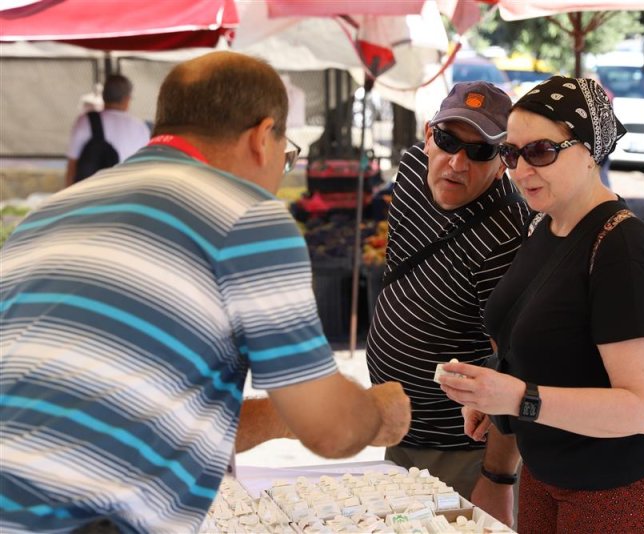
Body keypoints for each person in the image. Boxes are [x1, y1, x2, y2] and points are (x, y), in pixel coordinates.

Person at [0, 51, 411, 534]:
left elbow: (154, 419)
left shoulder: (46, 216)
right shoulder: (246, 214)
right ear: (262, 137)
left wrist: (287, 416)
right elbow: (332, 430)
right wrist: (376, 413)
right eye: (287, 152)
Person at [438, 76, 644, 533]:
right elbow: (537, 346)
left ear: (590, 152)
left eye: (541, 151)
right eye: (511, 153)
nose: (521, 170)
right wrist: (491, 392)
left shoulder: (623, 249)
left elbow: (641, 409)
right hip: (552, 468)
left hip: (631, 480)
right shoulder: (548, 225)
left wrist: (517, 398)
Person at [365, 81, 531, 525]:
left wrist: (498, 478)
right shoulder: (411, 173)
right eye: (448, 140)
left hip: (457, 454)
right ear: (427, 134)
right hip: (400, 432)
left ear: (503, 164)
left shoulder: (507, 233)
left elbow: (514, 367)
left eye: (480, 152)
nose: (456, 162)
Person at [64, 74, 151, 186]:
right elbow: (145, 169)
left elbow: (72, 167)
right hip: (126, 193)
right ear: (127, 99)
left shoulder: (85, 121)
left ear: (104, 96)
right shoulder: (141, 128)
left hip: (89, 195)